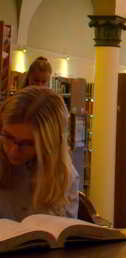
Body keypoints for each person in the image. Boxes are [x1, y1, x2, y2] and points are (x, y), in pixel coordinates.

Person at [0, 86, 79, 221]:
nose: (13, 150)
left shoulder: (64, 176)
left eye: (27, 144)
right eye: (8, 137)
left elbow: (63, 235)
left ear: (49, 146)